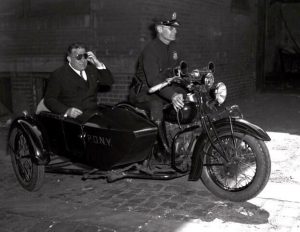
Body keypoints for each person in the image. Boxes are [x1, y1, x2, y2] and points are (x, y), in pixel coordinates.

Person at [129, 12, 185, 125]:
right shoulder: (150, 51)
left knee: (188, 99)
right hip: (145, 92)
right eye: (171, 28)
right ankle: (157, 140)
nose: (175, 31)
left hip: (164, 87)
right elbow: (154, 81)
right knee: (156, 105)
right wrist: (173, 95)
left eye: (175, 28)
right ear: (159, 29)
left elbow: (179, 69)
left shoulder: (173, 47)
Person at [44, 42, 114, 121]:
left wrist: (97, 63)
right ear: (69, 59)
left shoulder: (91, 70)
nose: (83, 61)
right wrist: (67, 111)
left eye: (85, 56)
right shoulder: (59, 75)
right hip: (73, 120)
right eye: (78, 57)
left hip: (93, 116)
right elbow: (49, 99)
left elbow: (108, 81)